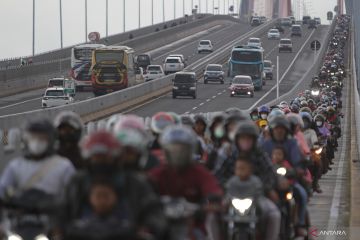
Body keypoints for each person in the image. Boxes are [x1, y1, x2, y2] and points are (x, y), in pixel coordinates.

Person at [60, 131, 167, 240]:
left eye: (105, 157)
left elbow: (153, 210)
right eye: (96, 157)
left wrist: (148, 228)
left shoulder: (134, 182)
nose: (100, 162)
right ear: (88, 159)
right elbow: (60, 209)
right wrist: (55, 229)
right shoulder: (77, 182)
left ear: (116, 158)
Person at [149, 125, 223, 240]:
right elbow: (144, 191)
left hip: (193, 226)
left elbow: (212, 188)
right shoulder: (158, 173)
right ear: (166, 151)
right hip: (161, 225)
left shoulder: (198, 171)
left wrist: (214, 200)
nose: (177, 154)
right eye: (174, 149)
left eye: (182, 150)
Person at [219, 121, 280, 240]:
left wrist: (266, 187)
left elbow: (270, 174)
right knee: (213, 215)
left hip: (257, 197)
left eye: (248, 138)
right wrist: (222, 187)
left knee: (274, 214)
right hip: (232, 197)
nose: (245, 141)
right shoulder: (231, 155)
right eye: (242, 138)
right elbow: (219, 174)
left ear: (254, 140)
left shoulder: (260, 155)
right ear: (237, 140)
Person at [0, 119, 76, 201]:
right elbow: (2, 191)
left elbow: (74, 195)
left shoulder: (63, 166)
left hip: (54, 212)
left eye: (41, 138)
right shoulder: (16, 166)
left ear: (50, 140)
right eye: (33, 138)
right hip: (22, 212)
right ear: (26, 140)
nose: (36, 142)